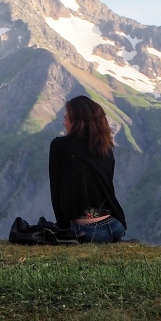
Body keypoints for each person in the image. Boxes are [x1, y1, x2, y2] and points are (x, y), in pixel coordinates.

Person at [49, 95, 127, 243]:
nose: (63, 123)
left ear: (77, 122)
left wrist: (63, 229)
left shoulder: (60, 146)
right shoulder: (105, 147)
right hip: (116, 225)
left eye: (66, 118)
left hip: (88, 232)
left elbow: (58, 192)